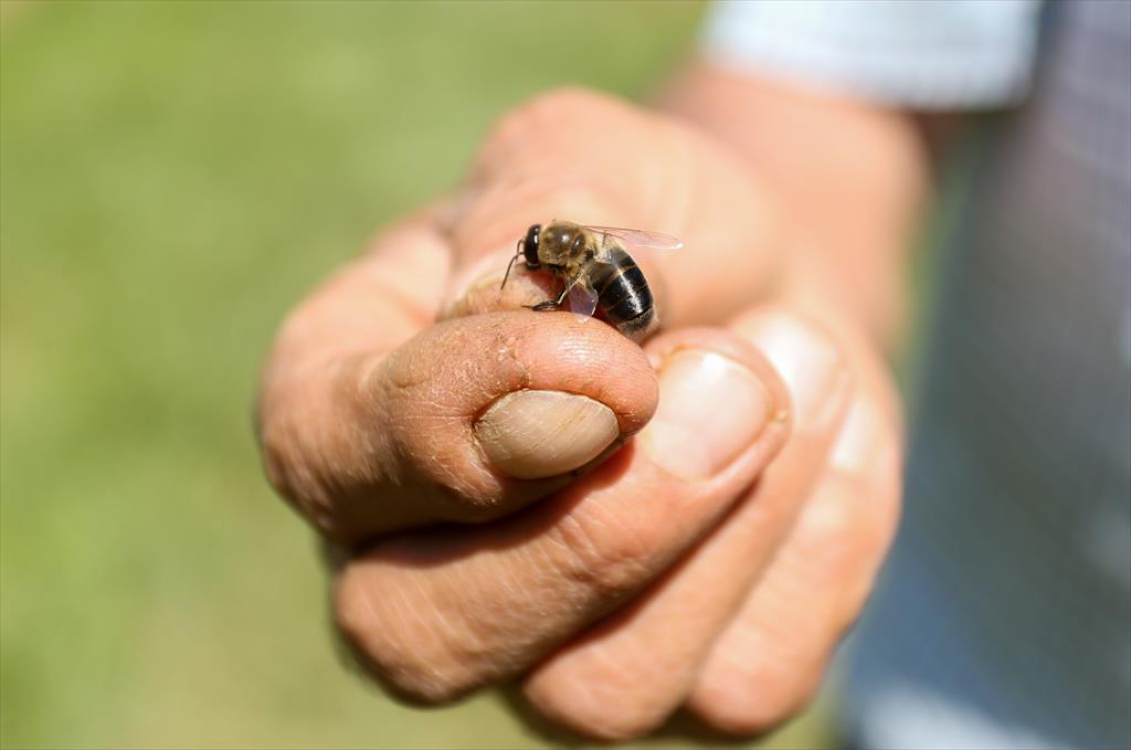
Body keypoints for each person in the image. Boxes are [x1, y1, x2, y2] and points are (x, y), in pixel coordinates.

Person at [255, 1, 1130, 746]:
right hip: (966, 699)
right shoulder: (576, 252)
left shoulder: (577, 267)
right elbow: (835, 76)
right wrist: (773, 259)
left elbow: (591, 288)